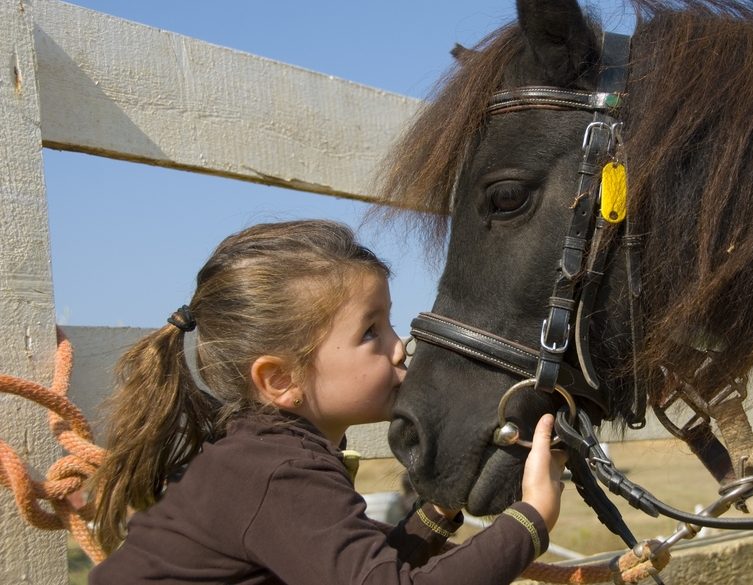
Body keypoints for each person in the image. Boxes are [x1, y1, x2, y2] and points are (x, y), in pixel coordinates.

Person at [86, 219, 567, 584]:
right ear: (280, 380)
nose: (399, 347)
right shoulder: (278, 472)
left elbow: (360, 569)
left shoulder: (262, 455)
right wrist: (530, 520)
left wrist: (436, 512)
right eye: (370, 331)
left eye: (389, 324)